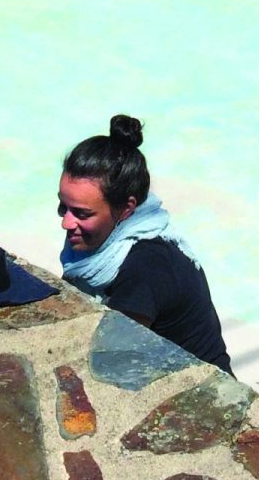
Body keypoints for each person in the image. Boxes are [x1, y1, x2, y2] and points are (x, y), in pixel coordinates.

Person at [57, 115, 232, 374]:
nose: (66, 223)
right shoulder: (98, 235)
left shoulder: (145, 267)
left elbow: (113, 355)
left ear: (126, 208)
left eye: (82, 213)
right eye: (64, 206)